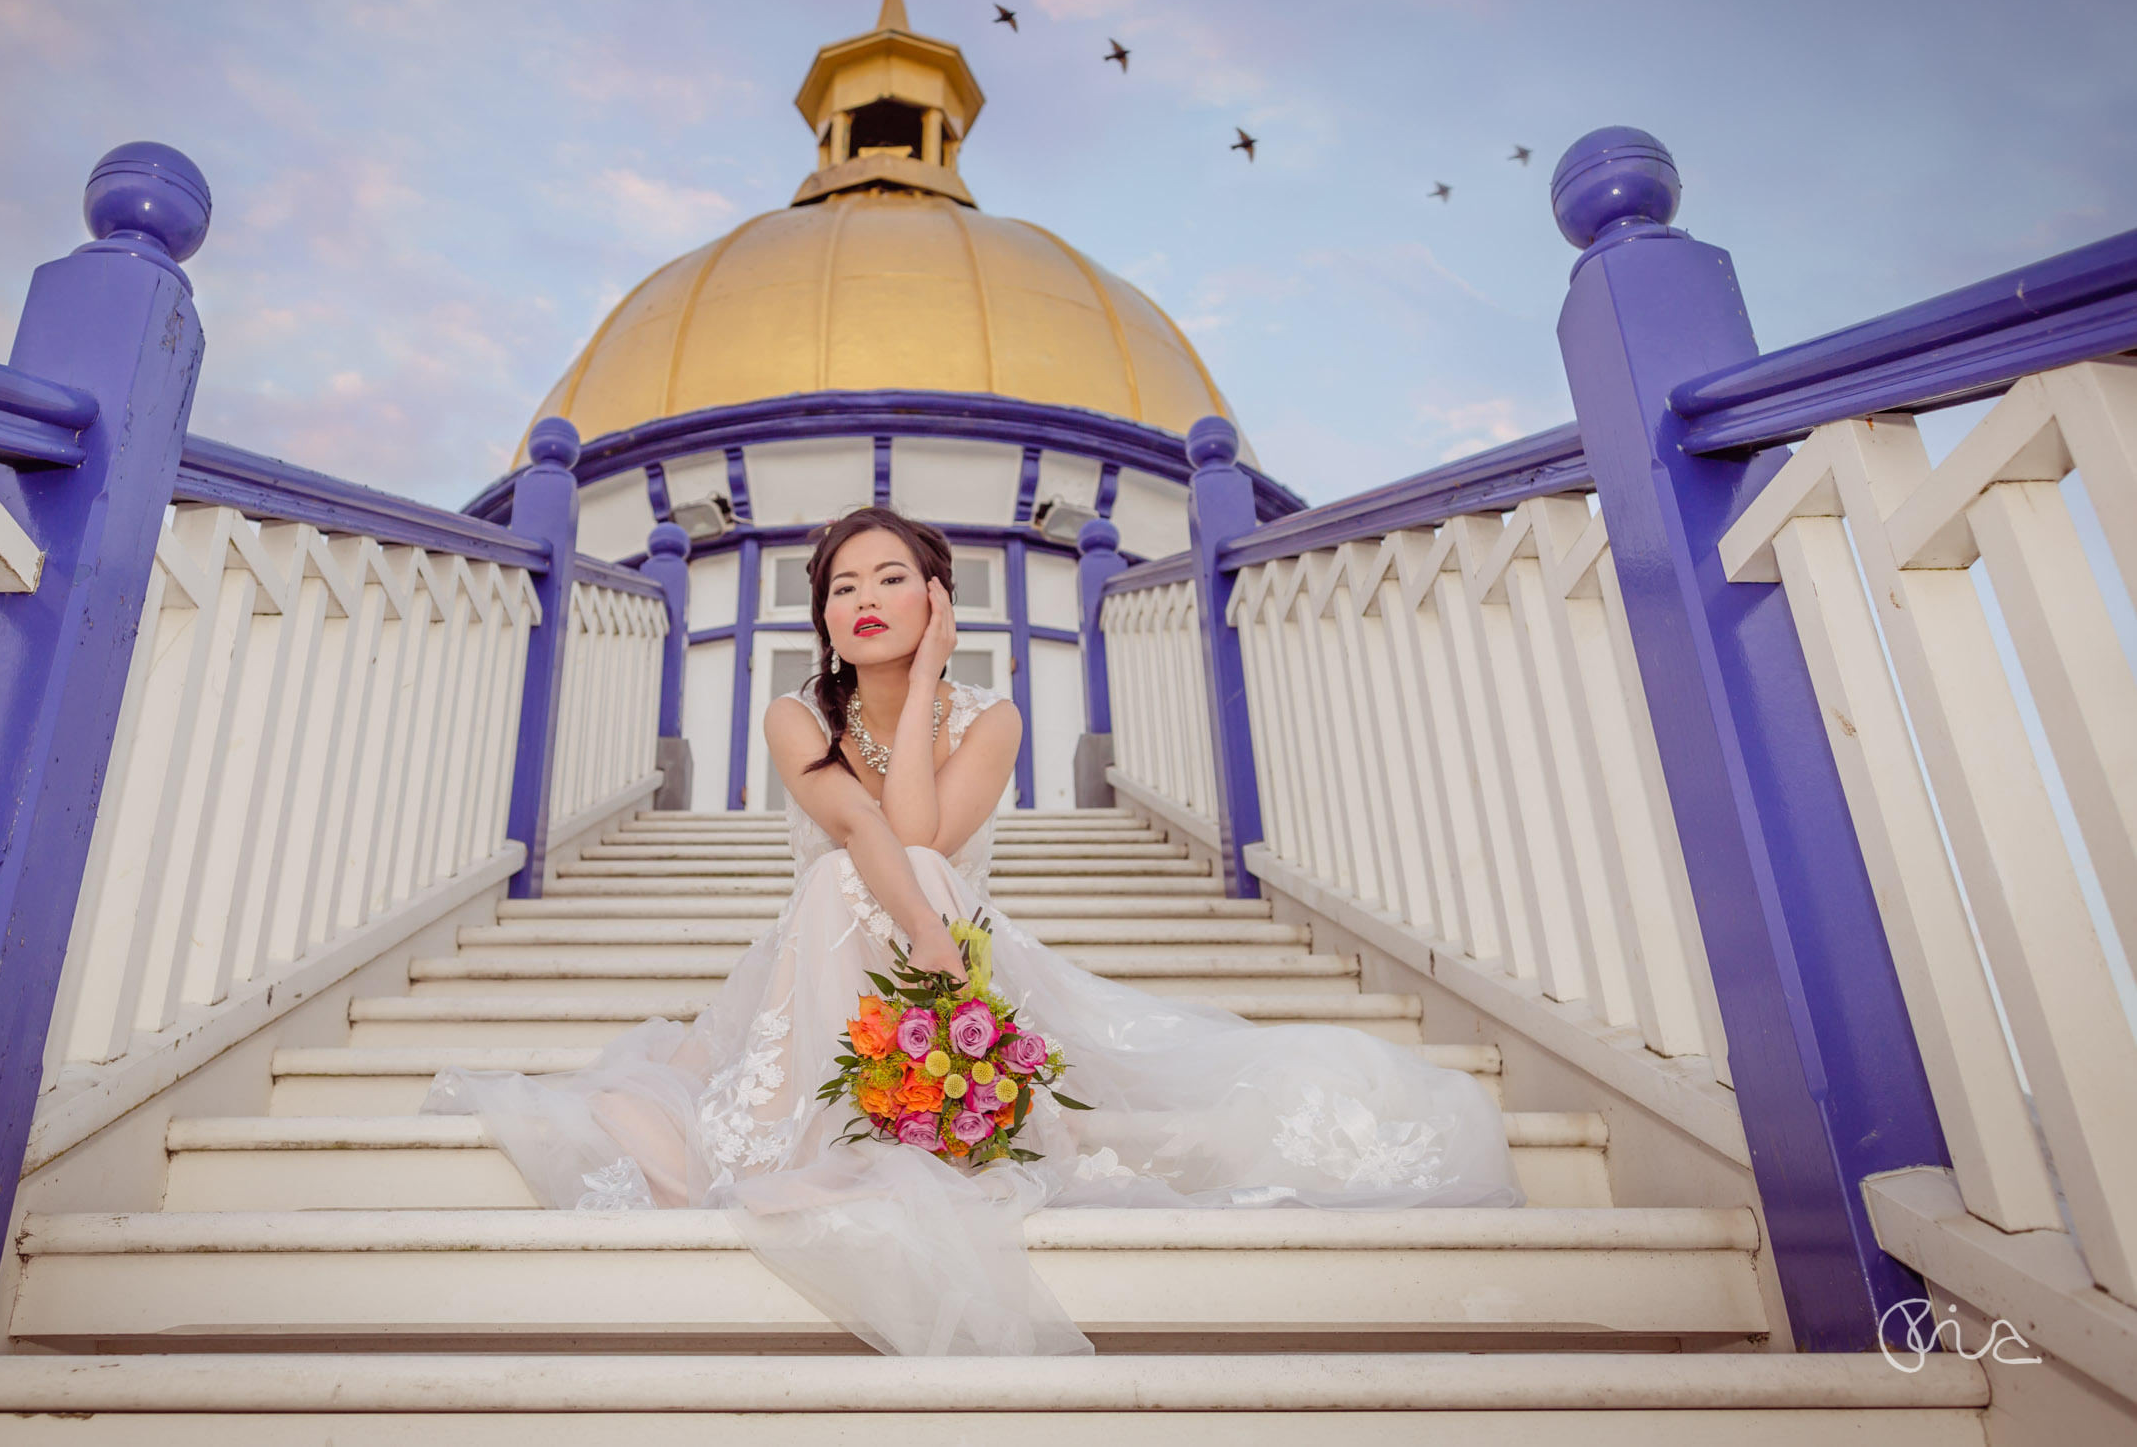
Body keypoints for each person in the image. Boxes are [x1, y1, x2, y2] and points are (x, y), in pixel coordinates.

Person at [425, 505, 1523, 1356]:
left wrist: (934, 682)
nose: (863, 597)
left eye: (892, 578)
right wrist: (926, 933)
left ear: (936, 599)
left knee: (926, 870)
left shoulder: (990, 717)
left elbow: (922, 831)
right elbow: (861, 825)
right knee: (848, 886)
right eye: (841, 585)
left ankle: (890, 1115)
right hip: (849, 955)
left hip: (953, 945)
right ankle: (806, 1130)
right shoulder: (796, 714)